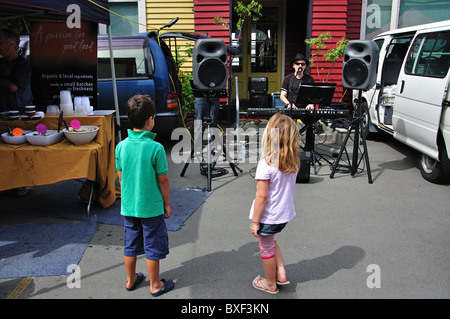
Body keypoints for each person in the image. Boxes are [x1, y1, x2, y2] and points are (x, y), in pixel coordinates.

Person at [115, 94, 174, 297]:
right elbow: (163, 181)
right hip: (151, 207)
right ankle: (155, 284)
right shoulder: (156, 148)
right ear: (150, 120)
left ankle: (131, 280)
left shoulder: (120, 146)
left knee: (130, 244)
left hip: (129, 207)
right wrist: (167, 204)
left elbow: (121, 178)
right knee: (152, 246)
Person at [249, 113, 300, 294]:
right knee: (271, 240)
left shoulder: (266, 164)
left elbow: (262, 197)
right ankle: (281, 273)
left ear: (269, 135)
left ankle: (270, 283)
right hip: (283, 215)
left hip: (269, 216)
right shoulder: (293, 161)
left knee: (265, 246)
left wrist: (255, 221)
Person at [0, 29, 33, 112]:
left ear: (10, 44)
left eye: (1, 43)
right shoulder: (1, 62)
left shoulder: (23, 64)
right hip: (3, 112)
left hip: (20, 112)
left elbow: (13, 87)